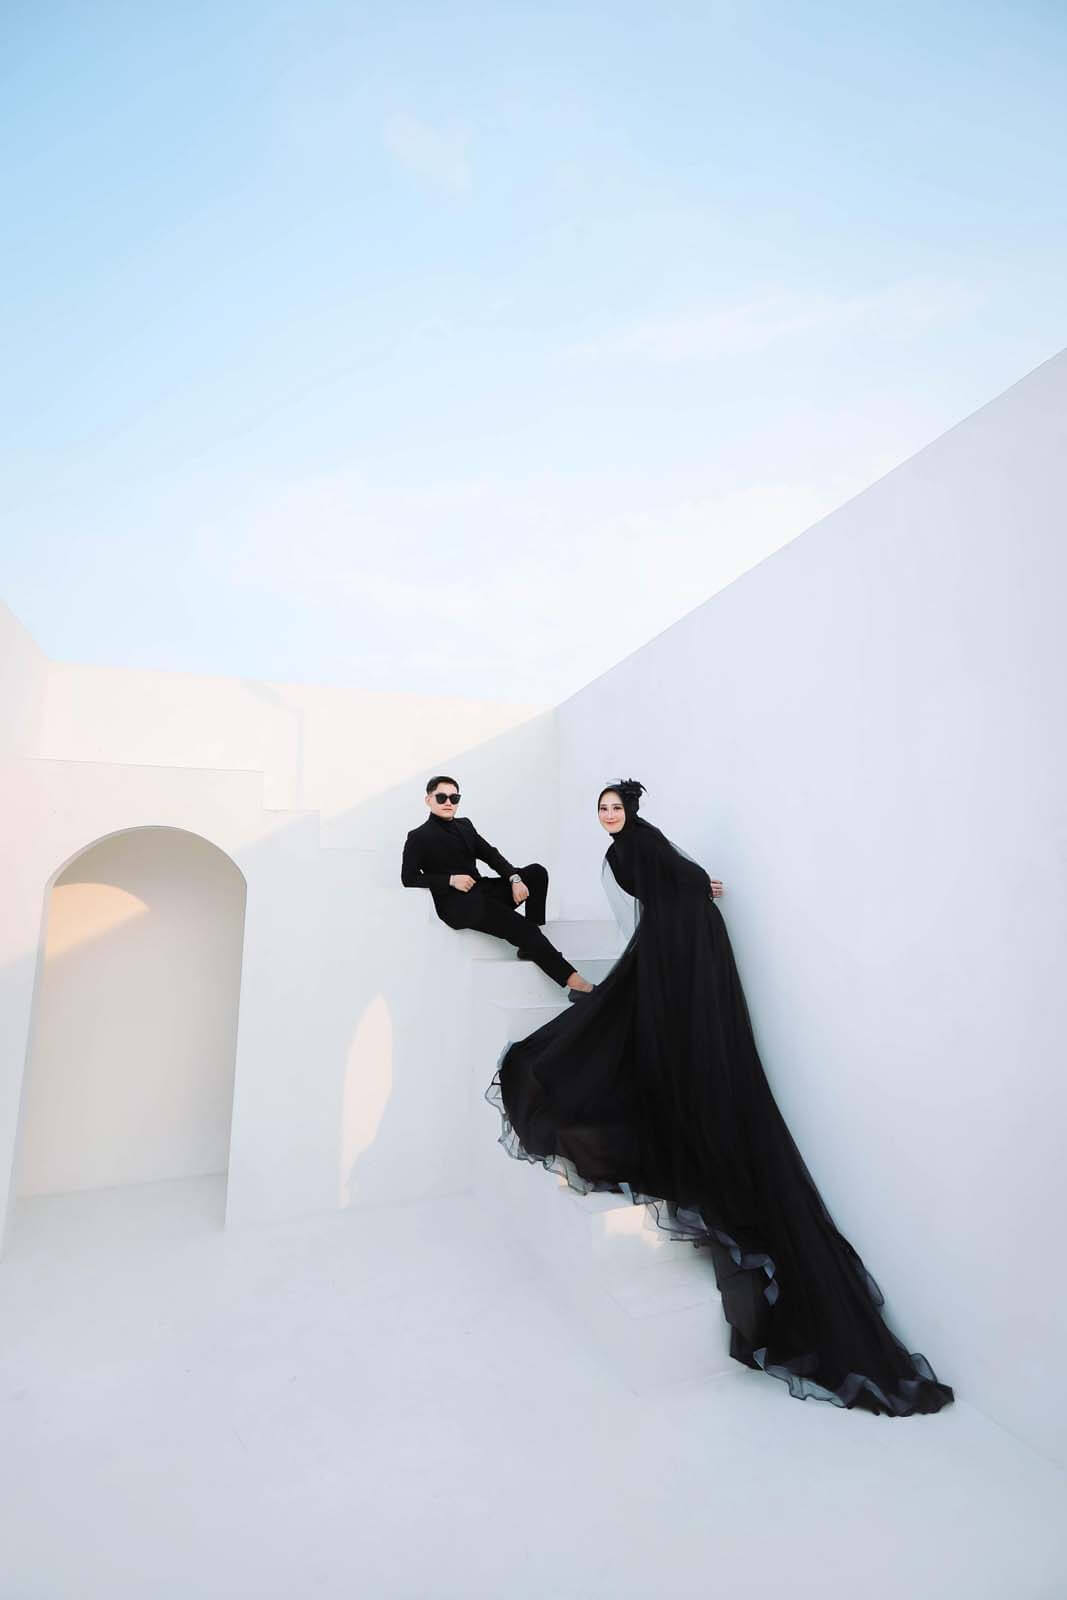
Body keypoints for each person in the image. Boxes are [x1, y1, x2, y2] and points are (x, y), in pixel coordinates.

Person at [487, 778, 953, 1417]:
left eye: (615, 807)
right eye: (602, 809)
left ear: (630, 811)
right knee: (641, 1032)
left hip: (676, 943)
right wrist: (692, 889)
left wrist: (686, 892)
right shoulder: (635, 846)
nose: (608, 815)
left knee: (608, 1037)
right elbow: (681, 878)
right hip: (681, 941)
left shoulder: (634, 844)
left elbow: (672, 882)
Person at [402, 776, 595, 995]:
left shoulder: (465, 825)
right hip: (459, 905)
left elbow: (490, 855)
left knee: (536, 873)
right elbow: (408, 878)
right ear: (428, 800)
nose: (448, 802)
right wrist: (450, 880)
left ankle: (530, 946)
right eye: (441, 797)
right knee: (523, 928)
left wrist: (514, 879)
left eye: (454, 798)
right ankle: (577, 985)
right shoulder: (418, 836)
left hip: (481, 890)